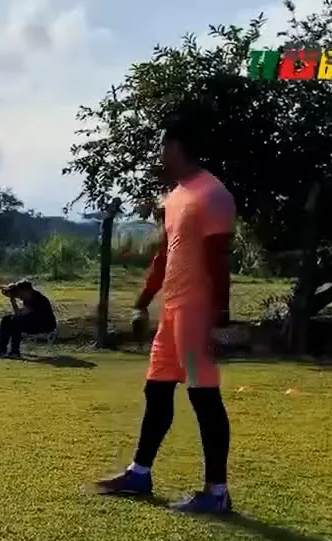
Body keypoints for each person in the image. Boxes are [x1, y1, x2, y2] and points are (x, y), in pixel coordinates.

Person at [93, 109, 237, 514]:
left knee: (203, 397)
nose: (158, 152)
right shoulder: (174, 197)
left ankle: (216, 492)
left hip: (196, 309)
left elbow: (218, 258)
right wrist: (142, 302)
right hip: (172, 309)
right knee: (156, 390)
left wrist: (220, 311)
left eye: (161, 144)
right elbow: (164, 255)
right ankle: (139, 473)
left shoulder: (213, 194)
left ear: (176, 146)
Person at [0, 280, 57, 358]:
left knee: (16, 321)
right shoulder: (28, 298)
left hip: (45, 326)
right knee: (6, 319)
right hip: (35, 323)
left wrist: (13, 300)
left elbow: (19, 315)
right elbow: (18, 314)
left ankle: (14, 352)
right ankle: (2, 350)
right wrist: (12, 300)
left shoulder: (37, 299)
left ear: (27, 291)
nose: (19, 296)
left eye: (20, 293)